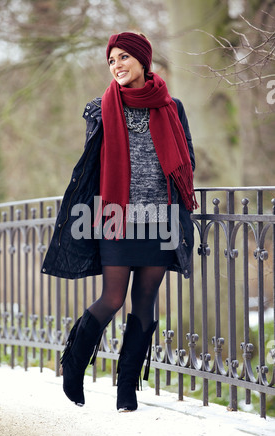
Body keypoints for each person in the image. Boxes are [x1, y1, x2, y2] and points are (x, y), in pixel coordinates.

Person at [41, 32, 197, 412]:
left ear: (143, 61)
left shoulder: (172, 107)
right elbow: (92, 165)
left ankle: (126, 388)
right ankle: (74, 364)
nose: (117, 66)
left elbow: (187, 159)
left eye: (124, 57)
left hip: (159, 217)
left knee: (145, 302)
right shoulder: (100, 109)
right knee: (112, 298)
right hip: (116, 215)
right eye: (111, 61)